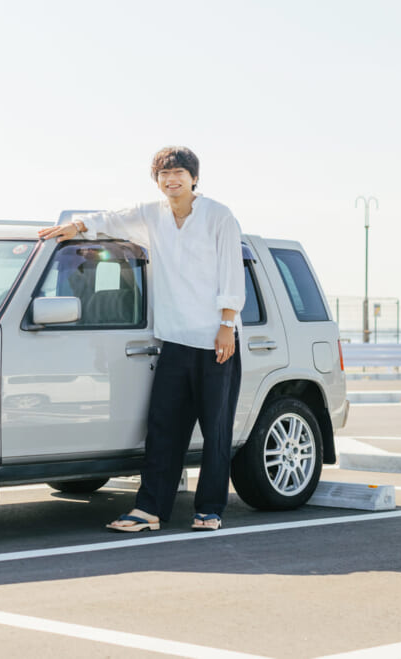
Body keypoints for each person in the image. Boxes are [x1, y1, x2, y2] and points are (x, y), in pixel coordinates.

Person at [38, 146, 245, 532]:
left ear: (194, 178)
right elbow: (112, 219)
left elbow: (233, 271)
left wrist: (227, 324)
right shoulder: (152, 214)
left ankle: (210, 509)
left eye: (179, 173)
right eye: (164, 174)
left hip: (215, 342)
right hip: (173, 340)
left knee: (216, 430)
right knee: (164, 428)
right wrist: (78, 227)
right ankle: (150, 509)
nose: (171, 180)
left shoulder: (219, 216)